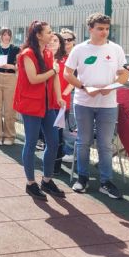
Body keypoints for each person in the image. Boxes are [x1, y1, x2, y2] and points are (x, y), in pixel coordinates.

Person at [64, 13, 129, 198]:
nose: (104, 32)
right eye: (100, 28)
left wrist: (111, 87)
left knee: (105, 145)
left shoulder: (116, 49)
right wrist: (84, 87)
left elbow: (123, 75)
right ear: (90, 29)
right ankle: (82, 178)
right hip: (83, 103)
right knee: (83, 142)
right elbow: (67, 74)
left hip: (108, 105)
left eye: (107, 29)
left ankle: (105, 182)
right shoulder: (79, 50)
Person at [13, 21, 66, 200]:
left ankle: (47, 179)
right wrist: (53, 70)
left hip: (47, 104)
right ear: (38, 35)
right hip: (31, 105)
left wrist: (59, 97)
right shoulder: (27, 54)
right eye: (49, 32)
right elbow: (34, 79)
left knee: (53, 141)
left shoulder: (48, 53)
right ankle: (30, 183)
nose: (52, 35)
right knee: (31, 142)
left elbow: (55, 78)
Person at [0, 27, 20, 145]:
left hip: (11, 78)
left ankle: (9, 136)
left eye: (8, 34)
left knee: (9, 109)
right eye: (4, 34)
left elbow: (19, 67)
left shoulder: (16, 49)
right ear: (0, 36)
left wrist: (10, 66)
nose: (6, 37)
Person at [47, 32, 73, 173]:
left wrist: (63, 94)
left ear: (60, 43)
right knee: (47, 135)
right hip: (45, 103)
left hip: (61, 105)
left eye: (56, 40)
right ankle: (48, 163)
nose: (53, 42)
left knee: (58, 135)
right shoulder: (43, 58)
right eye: (50, 40)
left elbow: (75, 79)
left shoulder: (67, 59)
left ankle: (55, 166)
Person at [59, 28, 78, 162]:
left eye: (69, 39)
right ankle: (64, 151)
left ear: (74, 41)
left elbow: (77, 77)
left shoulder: (77, 56)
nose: (66, 42)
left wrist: (64, 94)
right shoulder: (58, 56)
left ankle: (71, 152)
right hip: (59, 95)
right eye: (63, 39)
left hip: (71, 93)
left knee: (69, 126)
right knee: (60, 125)